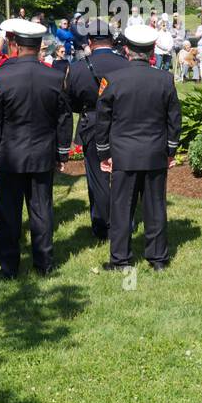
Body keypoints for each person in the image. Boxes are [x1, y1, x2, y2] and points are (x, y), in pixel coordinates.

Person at [0, 19, 73, 278]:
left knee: (9, 212)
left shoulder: (1, 76)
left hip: (10, 155)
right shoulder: (55, 76)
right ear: (39, 46)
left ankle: (9, 266)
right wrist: (61, 153)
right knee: (42, 209)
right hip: (42, 153)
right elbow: (64, 118)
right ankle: (44, 262)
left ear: (16, 44)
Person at [94, 24, 181, 272]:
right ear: (152, 50)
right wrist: (170, 151)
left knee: (122, 208)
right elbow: (174, 119)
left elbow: (103, 121)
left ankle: (121, 259)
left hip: (124, 154)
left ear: (127, 50)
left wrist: (104, 153)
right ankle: (158, 259)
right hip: (154, 152)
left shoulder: (113, 79)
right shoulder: (165, 79)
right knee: (155, 207)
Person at [66, 19, 131, 240]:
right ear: (112, 40)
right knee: (123, 176)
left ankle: (103, 224)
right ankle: (125, 222)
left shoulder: (76, 68)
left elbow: (71, 102)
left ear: (90, 41)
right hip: (122, 123)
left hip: (92, 123)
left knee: (97, 176)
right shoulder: (126, 64)